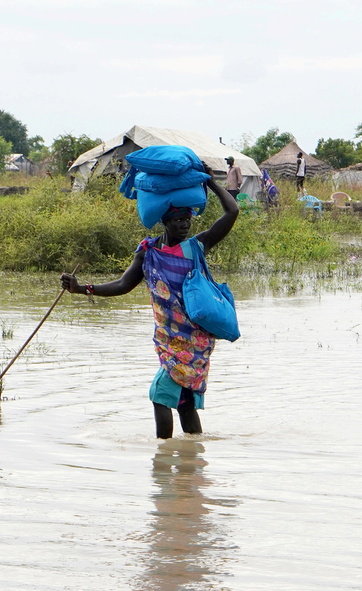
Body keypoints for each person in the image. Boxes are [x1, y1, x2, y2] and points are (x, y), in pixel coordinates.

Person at [61, 176, 239, 438]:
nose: (185, 224)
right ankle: (192, 456)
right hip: (169, 338)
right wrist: (82, 288)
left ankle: (163, 451)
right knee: (185, 404)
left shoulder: (197, 247)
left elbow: (232, 211)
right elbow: (123, 284)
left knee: (159, 395)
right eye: (178, 220)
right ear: (164, 221)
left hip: (195, 339)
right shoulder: (149, 251)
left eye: (187, 219)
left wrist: (210, 181)